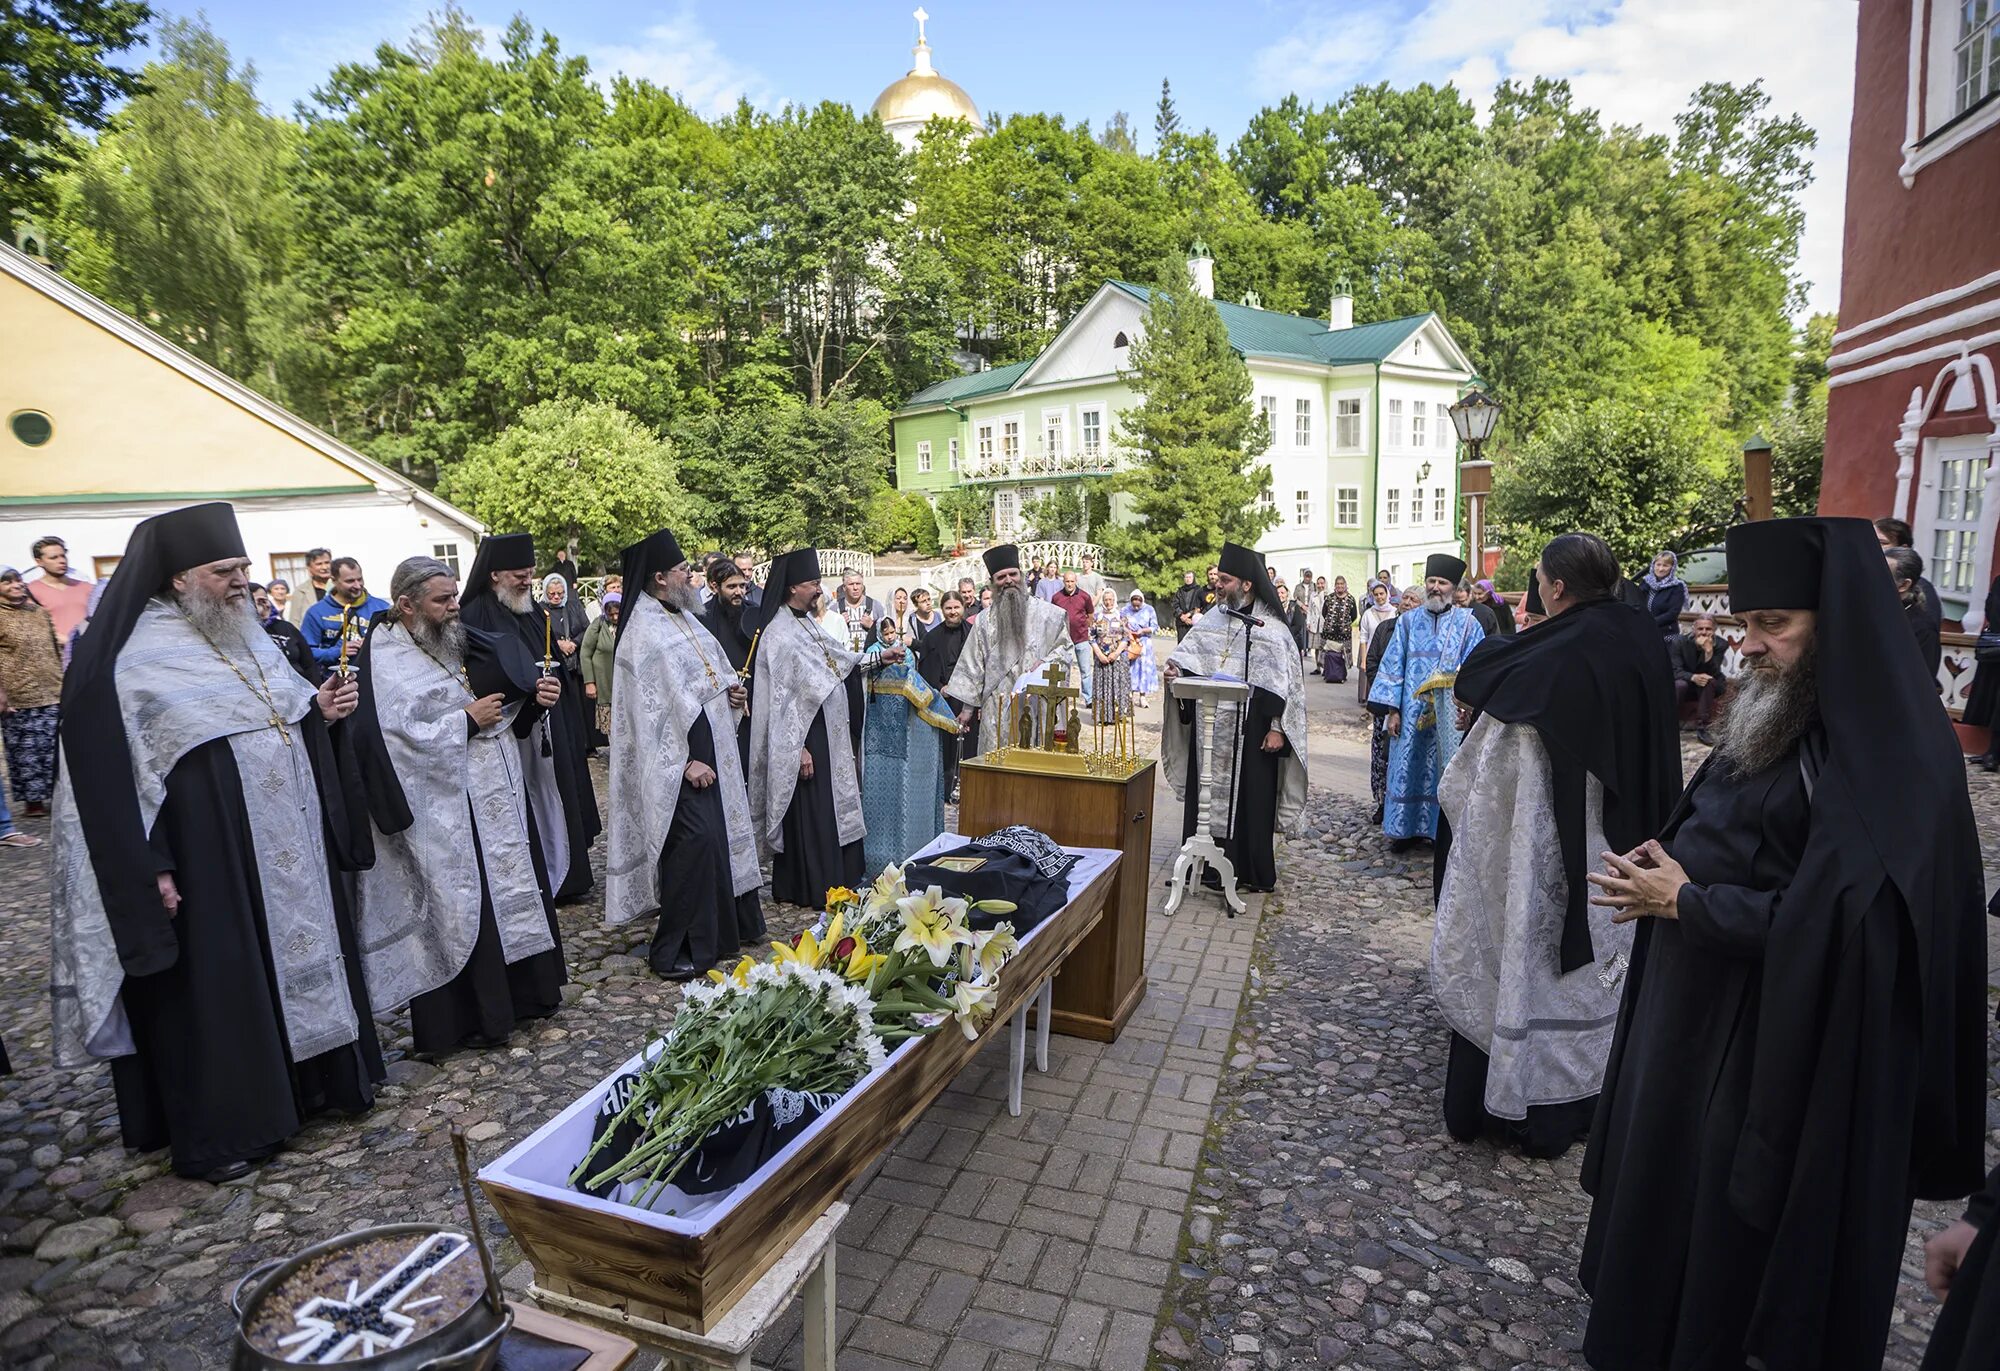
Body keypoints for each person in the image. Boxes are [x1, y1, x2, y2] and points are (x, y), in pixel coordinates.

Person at [1577, 516, 1988, 1371]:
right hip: (1692, 1031)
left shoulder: (1897, 755)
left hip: (1785, 1063)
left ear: (1836, 624)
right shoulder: (1778, 705)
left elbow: (1856, 932)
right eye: (1743, 623)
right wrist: (1672, 853)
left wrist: (1692, 902)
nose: (1750, 645)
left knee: (1728, 1276)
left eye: (1774, 624)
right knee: (1662, 1227)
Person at [48, 503, 383, 1181]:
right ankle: (225, 1132)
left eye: (243, 568)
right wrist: (152, 866)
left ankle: (312, 1087)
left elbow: (276, 714)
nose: (239, 581)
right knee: (217, 988)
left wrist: (316, 712)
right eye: (223, 570)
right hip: (205, 860)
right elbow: (108, 783)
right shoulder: (130, 662)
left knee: (281, 963)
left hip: (278, 848)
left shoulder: (244, 636)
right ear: (177, 578)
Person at [1431, 533, 1680, 1160]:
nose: (1536, 587)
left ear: (1557, 587)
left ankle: (1521, 1108)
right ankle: (1587, 1104)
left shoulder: (1555, 655)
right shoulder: (1640, 634)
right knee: (1599, 979)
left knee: (1532, 964)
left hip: (1546, 848)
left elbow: (1484, 705)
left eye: (1539, 578)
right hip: (1622, 848)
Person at [349, 556, 567, 1051]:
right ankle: (478, 1018)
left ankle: (528, 996)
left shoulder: (450, 639)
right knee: (465, 906)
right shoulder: (384, 657)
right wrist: (465, 722)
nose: (453, 607)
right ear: (406, 605)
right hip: (442, 810)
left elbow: (494, 703)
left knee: (509, 888)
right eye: (442, 600)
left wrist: (532, 700)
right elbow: (392, 739)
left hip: (494, 792)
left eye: (453, 596)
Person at [608, 530, 763, 978]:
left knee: (714, 842)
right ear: (660, 577)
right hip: (677, 763)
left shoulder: (685, 618)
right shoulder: (641, 631)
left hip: (711, 750)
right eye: (682, 571)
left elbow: (710, 678)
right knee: (692, 844)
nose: (691, 577)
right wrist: (683, 763)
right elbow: (646, 716)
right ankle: (671, 948)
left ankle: (715, 938)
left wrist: (732, 696)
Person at [459, 534, 600, 903]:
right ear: (494, 574)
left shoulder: (533, 610)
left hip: (550, 718)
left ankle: (570, 876)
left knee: (559, 790)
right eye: (519, 575)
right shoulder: (472, 615)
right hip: (509, 726)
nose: (527, 581)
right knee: (529, 797)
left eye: (530, 573)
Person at [1161, 543, 1308, 894]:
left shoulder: (1273, 629)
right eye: (1219, 579)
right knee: (1206, 795)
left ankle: (1248, 871)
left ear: (1246, 584)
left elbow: (1288, 688)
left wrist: (1278, 729)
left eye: (1225, 580)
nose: (1218, 585)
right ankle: (1206, 867)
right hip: (1209, 729)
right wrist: (1176, 670)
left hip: (1253, 731)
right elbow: (1188, 657)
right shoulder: (1213, 618)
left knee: (1251, 802)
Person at [749, 548, 881, 905]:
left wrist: (880, 657)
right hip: (805, 739)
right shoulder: (778, 634)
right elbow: (781, 703)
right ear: (793, 587)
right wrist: (800, 748)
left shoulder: (805, 623)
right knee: (813, 811)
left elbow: (839, 660)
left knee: (831, 809)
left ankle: (840, 878)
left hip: (827, 734)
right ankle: (809, 886)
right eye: (813, 583)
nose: (819, 590)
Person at [1368, 555, 1486, 851]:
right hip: (1410, 714)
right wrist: (1393, 711)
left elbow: (1478, 669)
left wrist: (1468, 711)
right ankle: (1404, 831)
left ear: (1453, 588)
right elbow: (1393, 666)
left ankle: (1439, 833)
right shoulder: (1407, 622)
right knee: (1407, 767)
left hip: (1450, 716)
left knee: (1445, 770)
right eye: (1431, 581)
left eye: (1442, 582)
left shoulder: (1468, 624)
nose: (1435, 587)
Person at [943, 545, 1072, 753]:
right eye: (1001, 577)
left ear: (1021, 576)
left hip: (1036, 701)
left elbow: (1065, 649)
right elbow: (973, 666)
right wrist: (967, 710)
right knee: (998, 763)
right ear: (993, 583)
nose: (1008, 580)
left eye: (1013, 574)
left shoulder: (1049, 615)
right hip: (998, 707)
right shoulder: (984, 622)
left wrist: (1046, 663)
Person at [861, 619, 956, 872]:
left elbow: (913, 676)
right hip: (879, 735)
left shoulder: (905, 654)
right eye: (886, 633)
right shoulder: (870, 656)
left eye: (893, 632)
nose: (890, 636)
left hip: (899, 733)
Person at [0, 566, 63, 816]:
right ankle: (33, 802)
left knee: (54, 748)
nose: (16, 585)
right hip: (17, 694)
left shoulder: (38, 612)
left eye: (18, 580)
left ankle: (59, 796)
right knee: (26, 752)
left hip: (52, 690)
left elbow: (54, 648)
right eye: (7, 582)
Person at [1365, 590, 1420, 822]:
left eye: (1413, 600)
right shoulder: (1385, 628)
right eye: (1405, 598)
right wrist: (1387, 693)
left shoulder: (1423, 632)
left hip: (1414, 707)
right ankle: (1382, 802)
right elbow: (1372, 662)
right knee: (1382, 756)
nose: (1407, 603)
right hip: (1384, 704)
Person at [916, 590, 973, 794]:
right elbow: (925, 670)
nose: (953, 612)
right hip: (943, 700)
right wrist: (940, 687)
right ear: (942, 609)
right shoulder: (932, 638)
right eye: (948, 608)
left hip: (968, 700)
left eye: (956, 607)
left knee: (968, 746)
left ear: (963, 608)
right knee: (946, 748)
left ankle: (967, 789)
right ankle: (946, 789)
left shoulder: (973, 634)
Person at [301, 558, 388, 678]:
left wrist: (373, 642)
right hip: (336, 682)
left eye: (360, 579)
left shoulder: (381, 607)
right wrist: (338, 652)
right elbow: (306, 652)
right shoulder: (316, 612)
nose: (357, 585)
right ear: (334, 581)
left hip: (376, 679)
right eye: (350, 581)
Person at [24, 535, 92, 655]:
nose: (62, 561)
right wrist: (68, 641)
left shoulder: (86, 587)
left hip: (92, 650)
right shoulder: (30, 591)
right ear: (39, 562)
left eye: (63, 556)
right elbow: (33, 626)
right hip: (58, 654)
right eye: (53, 558)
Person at [1670, 613, 1730, 744]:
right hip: (1685, 682)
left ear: (1714, 630)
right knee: (1680, 685)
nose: (1704, 632)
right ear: (1694, 629)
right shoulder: (1679, 642)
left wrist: (1708, 652)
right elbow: (1675, 671)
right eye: (1700, 629)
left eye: (1708, 629)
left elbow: (1714, 673)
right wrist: (1693, 677)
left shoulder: (1721, 644)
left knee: (1709, 681)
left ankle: (1702, 727)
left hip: (1707, 685)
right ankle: (1669, 722)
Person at [1875, 516, 1944, 627]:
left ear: (1903, 548)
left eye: (1882, 543)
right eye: (1870, 541)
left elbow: (1925, 628)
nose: (1872, 546)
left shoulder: (1923, 588)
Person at [1886, 545, 1943, 678]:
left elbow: (1920, 679)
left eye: (1882, 574)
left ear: (1904, 585)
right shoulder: (1875, 610)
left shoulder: (1923, 628)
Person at [1965, 572, 2000, 771]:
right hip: (1995, 650)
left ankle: (1994, 753)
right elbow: (1991, 608)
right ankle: (1991, 752)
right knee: (1991, 702)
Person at [1050, 569, 1097, 706]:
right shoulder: (1056, 597)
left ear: (1076, 581)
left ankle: (1089, 699)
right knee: (1063, 670)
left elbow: (1090, 614)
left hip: (1081, 638)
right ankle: (1062, 697)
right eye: (1067, 581)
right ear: (1063, 582)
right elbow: (1053, 616)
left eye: (1072, 581)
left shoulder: (1085, 596)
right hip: (1064, 640)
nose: (1069, 584)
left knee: (1085, 670)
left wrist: (1084, 627)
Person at [250, 582, 315, 679]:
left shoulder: (286, 628)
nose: (266, 605)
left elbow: (309, 664)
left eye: (266, 600)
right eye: (259, 601)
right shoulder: (241, 634)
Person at [579, 590, 619, 745]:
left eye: (617, 613)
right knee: (611, 729)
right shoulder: (599, 625)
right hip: (605, 684)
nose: (614, 617)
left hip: (625, 683)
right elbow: (585, 653)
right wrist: (589, 682)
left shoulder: (628, 623)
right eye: (611, 614)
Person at [1088, 588, 1134, 724]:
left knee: (1118, 686)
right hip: (1101, 658)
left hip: (1118, 658)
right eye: (1106, 600)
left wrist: (1116, 653)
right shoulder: (1097, 617)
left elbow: (1126, 637)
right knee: (1102, 687)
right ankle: (1103, 716)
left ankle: (1119, 715)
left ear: (1115, 600)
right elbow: (1091, 637)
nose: (1108, 602)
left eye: (1111, 600)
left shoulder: (1121, 617)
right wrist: (1099, 654)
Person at [1355, 581, 1396, 704]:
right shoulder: (1368, 614)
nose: (1379, 597)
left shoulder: (1394, 612)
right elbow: (1363, 638)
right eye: (1376, 594)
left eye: (1381, 594)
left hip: (1390, 654)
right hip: (1373, 655)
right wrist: (1364, 661)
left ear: (1387, 594)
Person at [1121, 589, 1160, 706]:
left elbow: (1155, 627)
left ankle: (1142, 696)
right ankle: (1130, 695)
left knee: (1143, 669)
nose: (1136, 607)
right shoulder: (1125, 610)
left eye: (1138, 605)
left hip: (1144, 643)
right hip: (1130, 642)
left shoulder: (1149, 609)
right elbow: (1120, 624)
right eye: (1134, 605)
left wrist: (1143, 630)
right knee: (1130, 669)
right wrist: (1128, 632)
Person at [1639, 550, 1687, 641]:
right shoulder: (1646, 582)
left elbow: (1673, 613)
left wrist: (1650, 622)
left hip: (1666, 634)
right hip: (1644, 630)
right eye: (1658, 564)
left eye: (1665, 565)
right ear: (1653, 565)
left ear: (1672, 567)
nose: (1660, 569)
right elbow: (1637, 602)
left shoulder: (1677, 586)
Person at [836, 569, 887, 650]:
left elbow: (887, 636)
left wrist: (872, 627)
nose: (855, 588)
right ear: (844, 588)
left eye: (858, 584)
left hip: (870, 655)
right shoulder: (834, 609)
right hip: (845, 656)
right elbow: (827, 639)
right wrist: (839, 625)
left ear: (863, 586)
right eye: (851, 584)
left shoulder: (876, 606)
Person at [1321, 576, 1357, 681]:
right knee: (1329, 654)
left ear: (1345, 585)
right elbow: (1324, 613)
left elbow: (1354, 616)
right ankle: (1328, 672)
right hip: (1329, 632)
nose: (1339, 586)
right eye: (1337, 584)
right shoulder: (1329, 598)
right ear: (1335, 586)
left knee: (1343, 654)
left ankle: (1341, 673)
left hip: (1344, 633)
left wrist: (1344, 624)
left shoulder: (1350, 599)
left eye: (1342, 584)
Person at [285, 547, 333, 625]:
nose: (324, 567)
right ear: (309, 567)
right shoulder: (301, 591)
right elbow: (295, 621)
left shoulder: (341, 587)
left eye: (327, 563)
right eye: (319, 564)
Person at [1276, 582, 1309, 656]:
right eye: (1278, 593)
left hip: (1292, 641)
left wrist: (1285, 633)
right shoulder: (1273, 607)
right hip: (1278, 642)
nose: (1280, 595)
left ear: (1287, 594)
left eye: (1282, 593)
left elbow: (1298, 625)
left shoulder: (1294, 606)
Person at [1171, 570, 1203, 641]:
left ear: (1193, 578)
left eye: (1190, 577)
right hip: (1181, 622)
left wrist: (1189, 615)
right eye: (1186, 577)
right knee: (1181, 643)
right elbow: (1174, 604)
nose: (1188, 579)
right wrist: (1182, 616)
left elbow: (1200, 605)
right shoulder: (1180, 591)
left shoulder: (1199, 590)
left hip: (1194, 622)